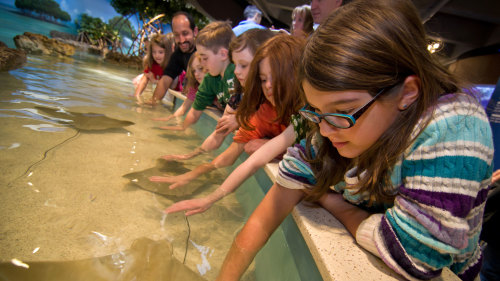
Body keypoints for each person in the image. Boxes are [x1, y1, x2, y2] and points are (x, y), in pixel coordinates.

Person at [216, 0, 494, 280]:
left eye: (344, 111)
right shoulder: (334, 124)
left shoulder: (454, 123)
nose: (323, 131)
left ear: (408, 92)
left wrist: (332, 200)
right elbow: (265, 217)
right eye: (316, 110)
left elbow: (415, 255)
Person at [149, 35, 305, 191]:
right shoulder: (243, 98)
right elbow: (222, 136)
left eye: (243, 65)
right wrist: (192, 161)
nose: (236, 71)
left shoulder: (306, 111)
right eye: (263, 79)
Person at [160, 28, 275, 161]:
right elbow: (218, 133)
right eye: (236, 65)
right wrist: (190, 155)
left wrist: (239, 118)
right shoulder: (238, 93)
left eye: (243, 65)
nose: (237, 71)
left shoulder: (237, 78)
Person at [158, 21, 237, 136]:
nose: (203, 64)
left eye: (205, 58)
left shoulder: (235, 73)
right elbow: (195, 111)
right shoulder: (210, 78)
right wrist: (182, 128)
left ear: (223, 55)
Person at [149, 12, 198, 106]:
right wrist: (152, 102)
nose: (182, 40)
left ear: (195, 31)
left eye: (185, 33)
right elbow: (165, 81)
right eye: (176, 35)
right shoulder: (177, 55)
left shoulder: (204, 50)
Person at [152, 52, 206, 122]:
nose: (196, 74)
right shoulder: (195, 87)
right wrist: (169, 119)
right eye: (193, 71)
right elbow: (183, 109)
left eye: (201, 68)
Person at [133, 33, 175, 105]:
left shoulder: (172, 65)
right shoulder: (153, 63)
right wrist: (136, 95)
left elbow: (172, 86)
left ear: (167, 52)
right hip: (159, 86)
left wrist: (154, 81)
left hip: (171, 92)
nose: (157, 55)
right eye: (154, 52)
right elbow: (144, 79)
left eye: (160, 52)